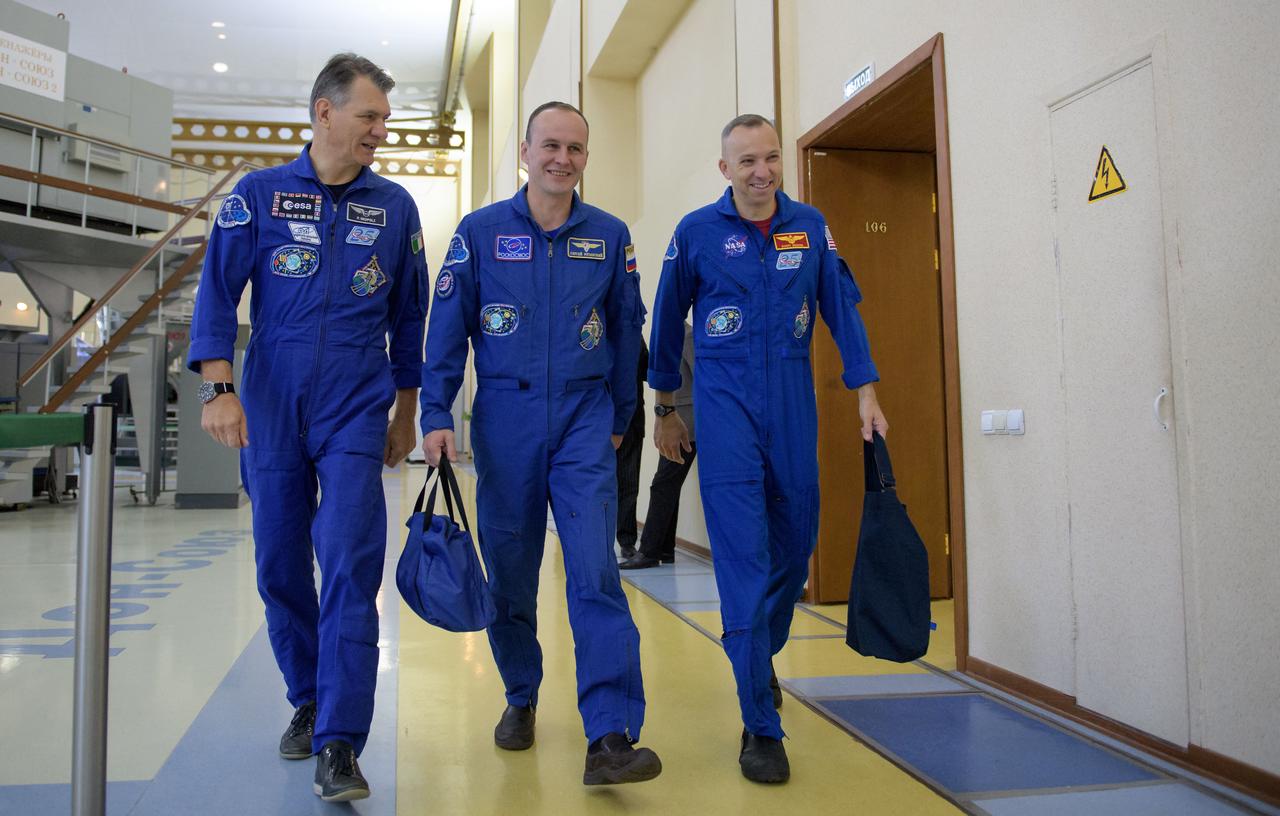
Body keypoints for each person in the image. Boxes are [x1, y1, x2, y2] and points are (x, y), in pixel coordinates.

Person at [188, 53, 427, 803]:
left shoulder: (395, 207)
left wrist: (406, 411)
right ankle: (308, 698)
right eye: (369, 116)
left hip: (357, 396)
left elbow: (410, 316)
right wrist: (219, 388)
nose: (380, 131)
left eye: (384, 119)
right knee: (279, 563)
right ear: (324, 112)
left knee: (352, 559)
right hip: (271, 397)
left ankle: (340, 741)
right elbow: (217, 293)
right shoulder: (257, 195)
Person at [419, 101, 662, 786]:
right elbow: (447, 328)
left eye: (575, 148)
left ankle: (609, 733)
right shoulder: (479, 232)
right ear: (525, 153)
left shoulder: (609, 236)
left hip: (585, 419)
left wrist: (620, 416)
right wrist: (435, 411)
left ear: (586, 158)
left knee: (595, 571)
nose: (562, 158)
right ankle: (521, 694)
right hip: (506, 419)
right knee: (511, 572)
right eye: (550, 145)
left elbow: (626, 330)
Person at [647, 113, 888, 784]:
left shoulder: (809, 227)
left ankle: (757, 651)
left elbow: (841, 307)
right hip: (724, 414)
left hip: (791, 407)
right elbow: (665, 322)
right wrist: (664, 409)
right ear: (725, 169)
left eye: (771, 157)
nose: (762, 172)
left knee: (795, 544)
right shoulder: (696, 232)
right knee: (743, 565)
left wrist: (866, 390)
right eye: (747, 161)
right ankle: (760, 724)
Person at [621, 323, 696, 569]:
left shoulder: (686, 336)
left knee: (662, 486)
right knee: (667, 486)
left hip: (688, 425)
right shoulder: (668, 338)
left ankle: (650, 551)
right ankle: (664, 549)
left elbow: (702, 378)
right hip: (676, 424)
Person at [615, 339, 648, 559]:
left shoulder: (635, 338)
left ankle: (626, 541)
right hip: (596, 420)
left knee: (628, 482)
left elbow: (647, 370)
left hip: (631, 421)